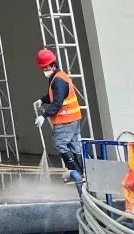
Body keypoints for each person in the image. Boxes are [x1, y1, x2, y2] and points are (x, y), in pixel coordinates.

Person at [34, 49, 84, 183]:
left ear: (53, 64)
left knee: (60, 144)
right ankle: (80, 174)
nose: (44, 69)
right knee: (74, 146)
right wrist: (42, 100)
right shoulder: (58, 76)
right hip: (74, 119)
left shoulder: (58, 80)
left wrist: (44, 116)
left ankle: (75, 174)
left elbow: (57, 102)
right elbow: (54, 95)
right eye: (42, 67)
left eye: (46, 67)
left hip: (65, 120)